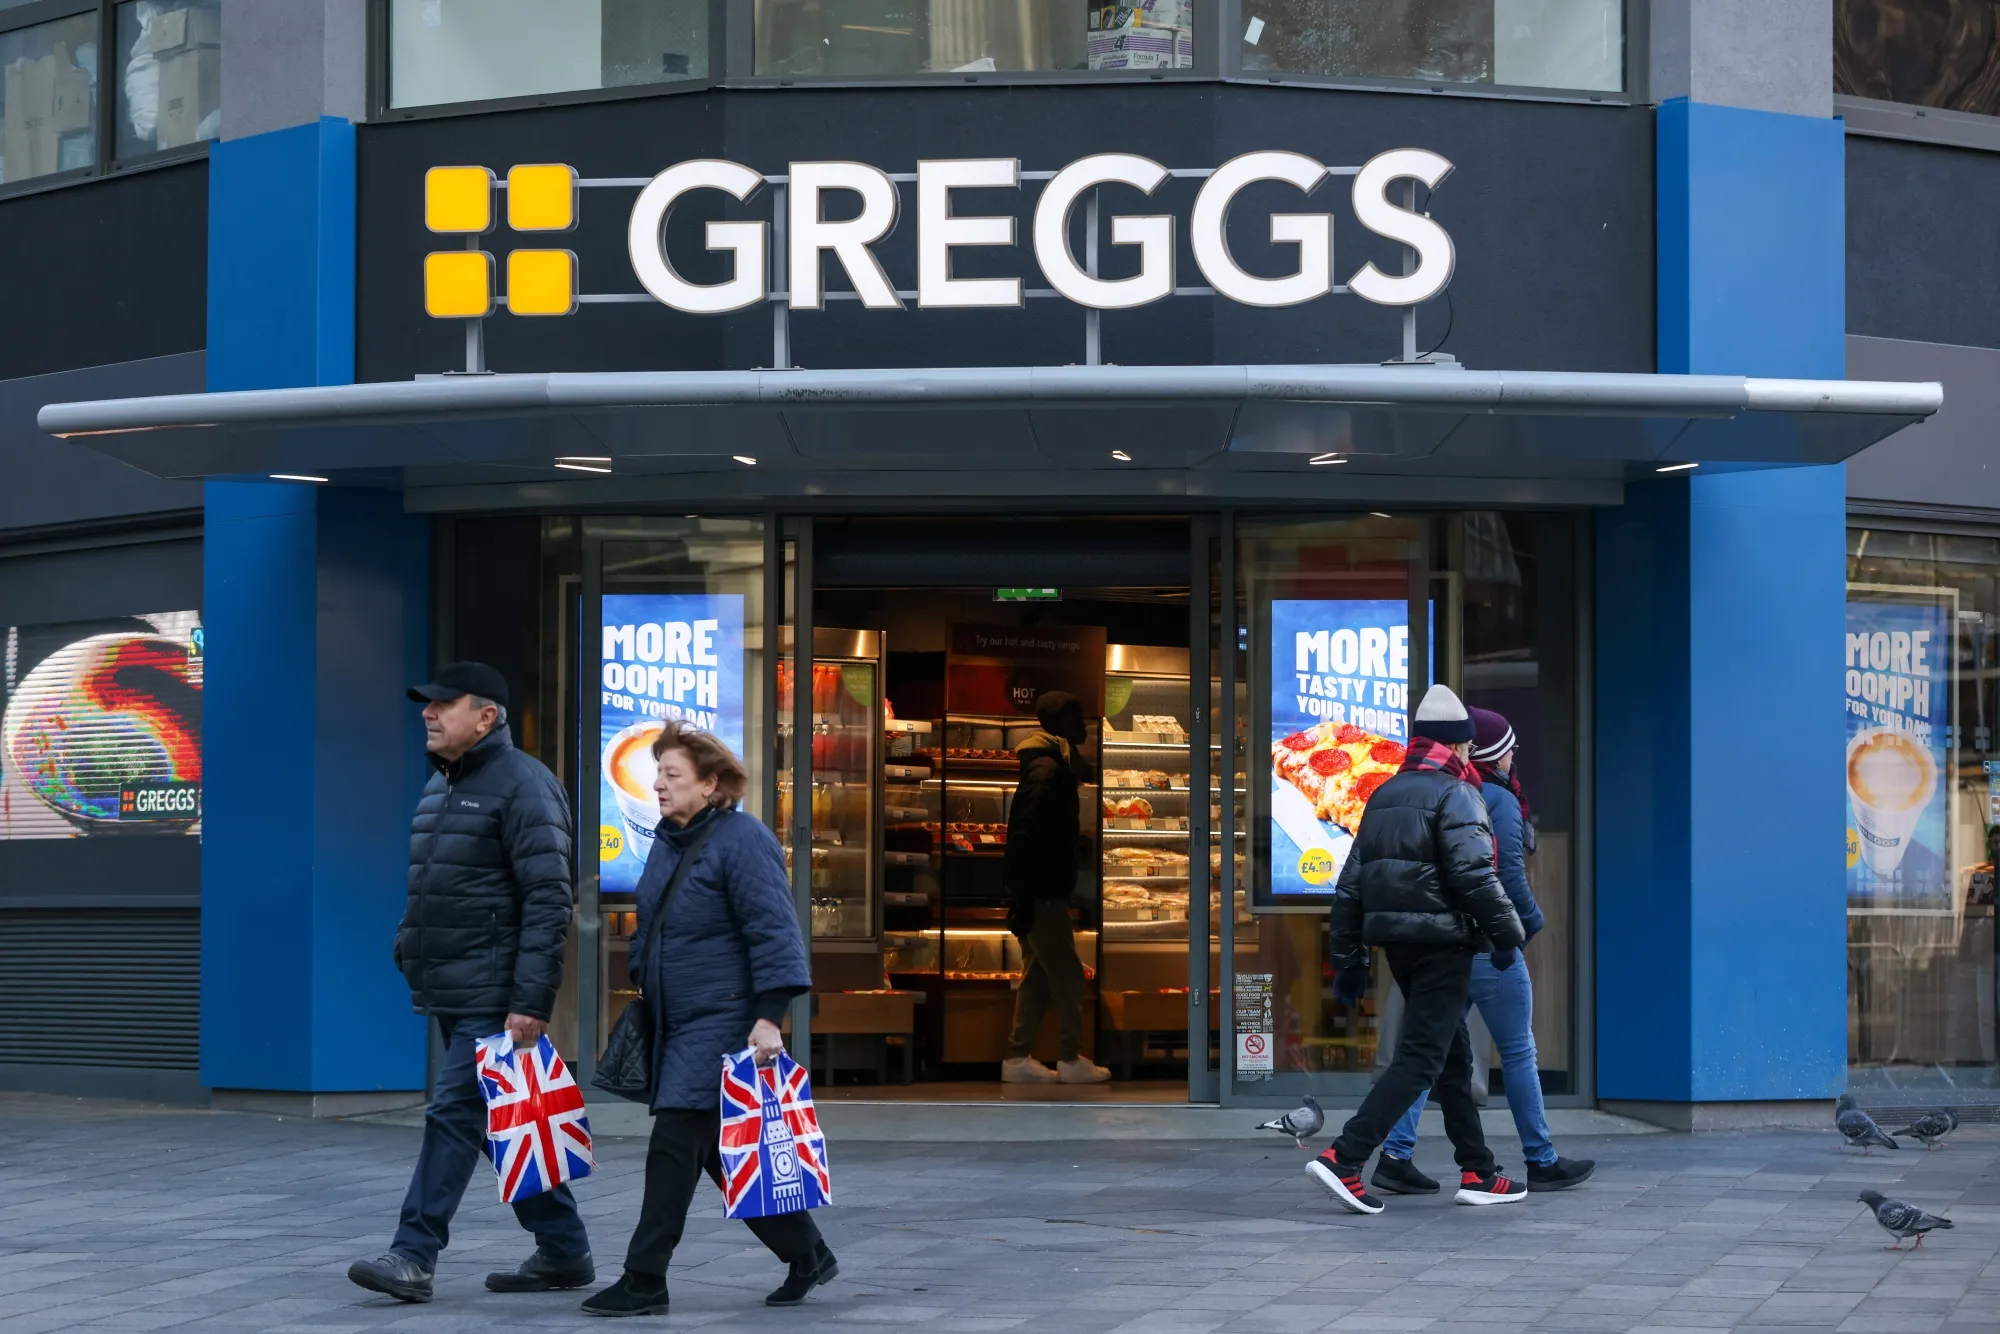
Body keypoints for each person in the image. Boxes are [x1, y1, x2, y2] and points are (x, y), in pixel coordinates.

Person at [349, 662, 593, 1304]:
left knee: (454, 1111)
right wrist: (409, 941)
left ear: (486, 717)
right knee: (495, 1121)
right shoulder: (442, 785)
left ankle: (413, 1254)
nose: (428, 714)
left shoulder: (524, 785)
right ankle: (564, 1250)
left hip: (494, 990)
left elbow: (548, 898)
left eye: (442, 704)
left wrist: (530, 1001)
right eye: (426, 705)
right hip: (451, 982)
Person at [582, 723, 837, 1317]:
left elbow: (773, 928)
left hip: (723, 1019)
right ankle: (808, 1253)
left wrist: (769, 1017)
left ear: (711, 783)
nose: (659, 786)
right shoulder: (668, 839)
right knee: (720, 1154)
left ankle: (645, 1278)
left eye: (672, 775)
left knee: (675, 1141)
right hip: (679, 1018)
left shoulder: (743, 839)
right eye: (658, 774)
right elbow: (654, 924)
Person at [1307, 684, 1530, 1215]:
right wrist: (1507, 937)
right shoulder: (1459, 795)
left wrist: (1350, 960)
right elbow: (1476, 876)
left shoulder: (1383, 794)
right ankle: (1346, 1155)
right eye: (1468, 748)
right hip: (1445, 945)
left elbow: (1351, 886)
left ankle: (1479, 1170)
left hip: (1399, 948)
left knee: (1452, 1057)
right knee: (1424, 1057)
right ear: (1458, 748)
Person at [1371, 707, 1595, 1195]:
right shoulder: (1496, 799)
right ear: (1491, 752)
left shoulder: (1432, 793)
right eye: (1510, 747)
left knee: (1426, 1055)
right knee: (1518, 1052)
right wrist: (1526, 928)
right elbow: (1507, 878)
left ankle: (1395, 1156)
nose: (1516, 755)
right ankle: (1541, 1159)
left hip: (1443, 947)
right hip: (1489, 946)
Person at [999, 691, 1110, 1085]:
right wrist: (1028, 891)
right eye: (1077, 719)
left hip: (1038, 887)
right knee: (1067, 975)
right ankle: (1069, 1058)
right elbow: (1028, 832)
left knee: (1038, 975)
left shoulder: (1051, 762)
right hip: (1042, 889)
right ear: (1059, 723)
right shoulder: (1048, 771)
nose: (1084, 726)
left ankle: (1017, 1057)